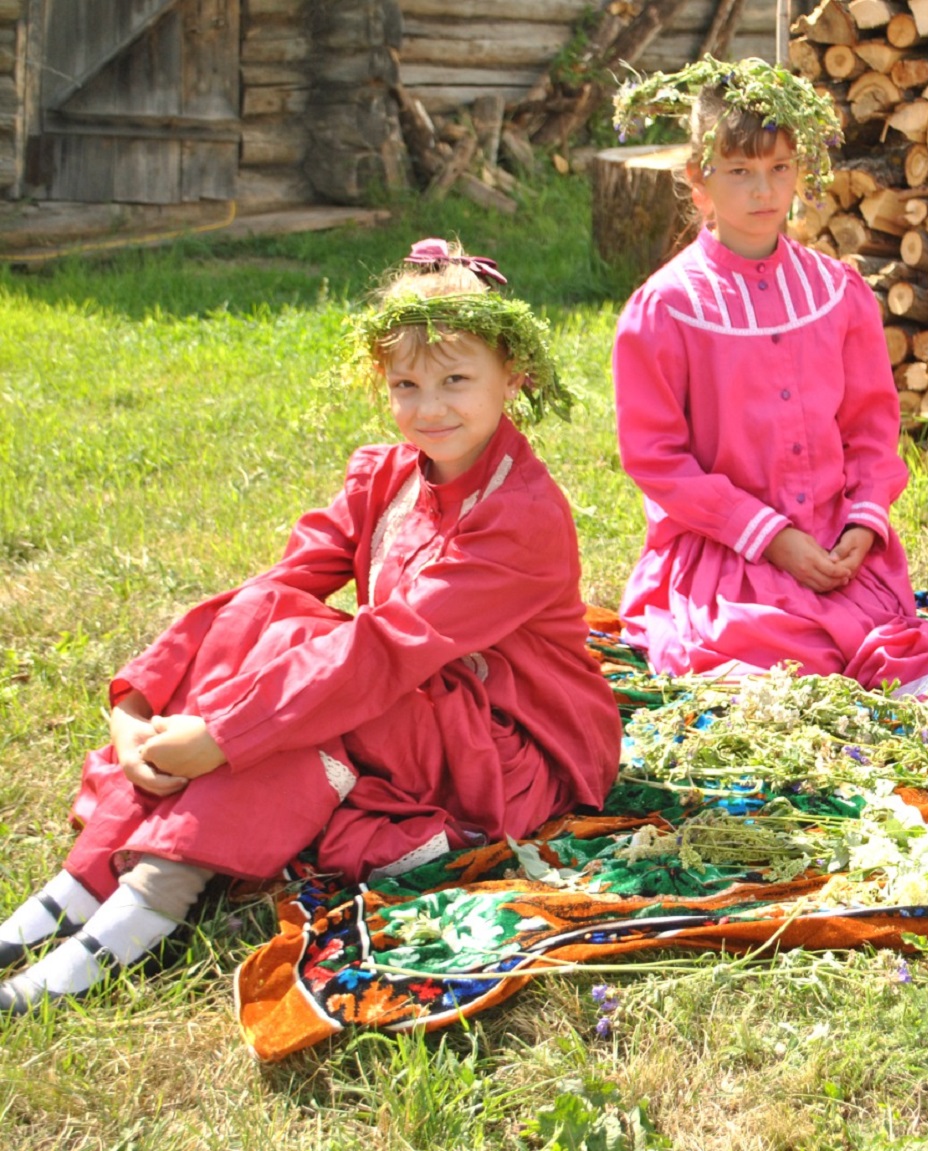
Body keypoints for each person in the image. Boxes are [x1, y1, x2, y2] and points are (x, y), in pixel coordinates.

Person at [0, 239, 622, 1011]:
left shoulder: (518, 515)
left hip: (506, 739)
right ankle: (82, 882)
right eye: (407, 383)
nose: (430, 408)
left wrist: (223, 733)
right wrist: (138, 703)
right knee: (273, 617)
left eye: (457, 380)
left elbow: (385, 648)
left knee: (317, 683)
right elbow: (272, 588)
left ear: (514, 376)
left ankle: (149, 897)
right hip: (414, 700)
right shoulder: (388, 474)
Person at [608, 57, 928, 699]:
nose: (764, 192)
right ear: (699, 180)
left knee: (908, 660)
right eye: (740, 172)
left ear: (801, 171)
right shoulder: (666, 309)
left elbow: (870, 431)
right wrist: (771, 538)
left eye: (780, 169)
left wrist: (863, 525)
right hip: (728, 550)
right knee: (769, 660)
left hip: (836, 544)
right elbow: (657, 461)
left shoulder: (837, 293)